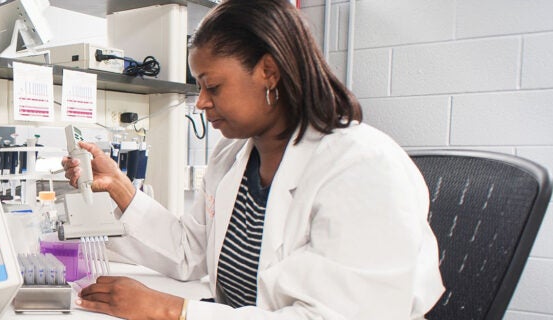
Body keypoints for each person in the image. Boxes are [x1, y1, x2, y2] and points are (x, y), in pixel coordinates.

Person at [60, 0, 445, 319]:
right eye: (199, 87)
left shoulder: (364, 167)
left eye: (213, 86)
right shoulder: (232, 157)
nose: (201, 102)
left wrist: (172, 310)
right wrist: (120, 186)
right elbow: (189, 251)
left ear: (269, 72)